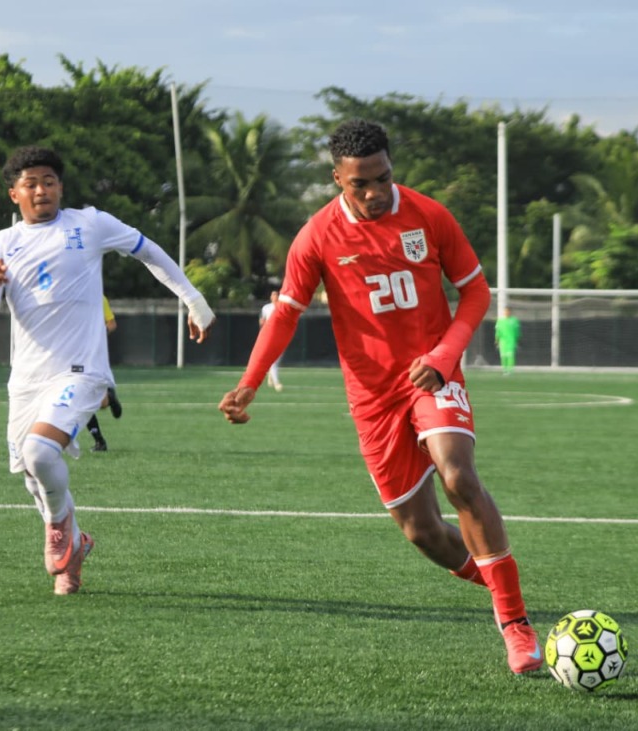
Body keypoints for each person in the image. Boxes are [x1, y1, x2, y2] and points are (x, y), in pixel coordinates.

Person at [218, 119, 543, 675]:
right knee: (422, 532)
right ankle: (497, 585)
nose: (374, 193)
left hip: (433, 375)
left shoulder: (429, 216)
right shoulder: (316, 237)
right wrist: (250, 382)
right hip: (371, 395)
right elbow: (286, 315)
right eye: (359, 184)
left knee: (458, 476)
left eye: (383, 178)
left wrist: (445, 356)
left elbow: (474, 292)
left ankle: (515, 621)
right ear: (337, 179)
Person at [0, 145, 215, 595]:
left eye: (49, 181)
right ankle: (75, 548)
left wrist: (194, 299)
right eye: (31, 184)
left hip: (81, 371)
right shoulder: (0, 243)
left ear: (61, 187)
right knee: (33, 476)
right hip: (26, 381)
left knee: (40, 453)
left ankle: (59, 527)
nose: (41, 190)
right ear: (14, 194)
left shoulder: (89, 224)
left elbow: (149, 251)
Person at [85, 295, 123, 452]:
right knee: (82, 400)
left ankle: (109, 398)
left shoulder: (98, 297)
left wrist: (97, 338)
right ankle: (99, 441)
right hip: (72, 356)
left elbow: (111, 324)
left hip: (92, 356)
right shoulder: (66, 295)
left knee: (91, 401)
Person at [260, 290, 284, 392]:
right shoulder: (266, 307)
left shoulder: (282, 307)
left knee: (278, 357)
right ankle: (277, 383)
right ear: (271, 297)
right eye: (273, 295)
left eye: (276, 295)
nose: (274, 296)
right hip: (269, 334)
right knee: (273, 360)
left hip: (280, 334)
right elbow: (262, 320)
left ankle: (271, 374)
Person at [494, 306, 521, 375]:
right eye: (505, 311)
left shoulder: (514, 320)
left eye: (508, 311)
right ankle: (504, 370)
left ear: (510, 312)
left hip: (511, 341)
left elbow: (517, 331)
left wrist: (517, 339)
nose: (506, 312)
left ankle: (510, 371)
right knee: (503, 356)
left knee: (510, 355)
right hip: (503, 341)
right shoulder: (500, 321)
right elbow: (498, 332)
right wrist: (496, 340)